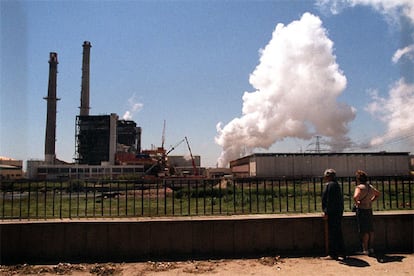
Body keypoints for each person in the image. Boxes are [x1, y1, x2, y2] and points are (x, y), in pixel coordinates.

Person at [353, 170, 380, 256]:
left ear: (358, 179)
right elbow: (378, 194)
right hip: (369, 209)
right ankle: (371, 248)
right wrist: (371, 200)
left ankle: (365, 249)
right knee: (370, 230)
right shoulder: (370, 187)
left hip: (362, 210)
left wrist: (357, 202)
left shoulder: (359, 187)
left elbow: (355, 197)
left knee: (364, 230)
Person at [321, 168, 346, 260]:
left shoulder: (330, 185)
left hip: (333, 213)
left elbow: (329, 200)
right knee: (337, 232)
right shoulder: (336, 185)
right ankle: (341, 252)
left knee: (333, 233)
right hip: (337, 212)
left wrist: (326, 212)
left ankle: (333, 253)